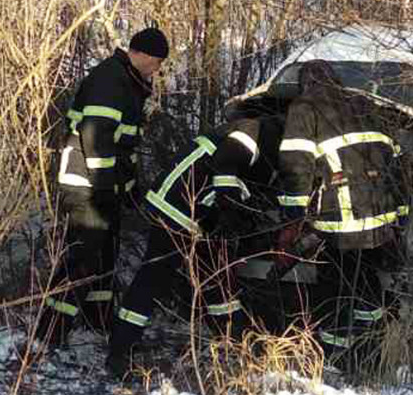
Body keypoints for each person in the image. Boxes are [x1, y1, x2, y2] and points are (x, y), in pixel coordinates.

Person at [106, 115, 285, 376]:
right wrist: (231, 213)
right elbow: (227, 164)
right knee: (153, 279)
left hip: (196, 213)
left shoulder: (262, 138)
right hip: (177, 207)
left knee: (216, 278)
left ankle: (238, 344)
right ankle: (120, 352)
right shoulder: (259, 130)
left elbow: (242, 184)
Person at [36, 27, 170, 348]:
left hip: (104, 186)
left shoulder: (128, 82)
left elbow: (123, 146)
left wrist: (131, 187)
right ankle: (50, 332)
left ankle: (98, 321)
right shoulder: (111, 80)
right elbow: (96, 139)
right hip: (87, 185)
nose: (158, 70)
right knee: (82, 255)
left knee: (105, 256)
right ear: (146, 55)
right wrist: (106, 188)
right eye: (157, 63)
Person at [274, 60, 408, 370]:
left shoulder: (304, 107)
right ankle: (373, 352)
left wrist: (292, 220)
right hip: (380, 216)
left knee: (334, 289)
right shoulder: (363, 103)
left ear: (304, 85)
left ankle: (336, 361)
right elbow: (397, 162)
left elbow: (296, 165)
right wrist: (401, 216)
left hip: (342, 220)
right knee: (367, 284)